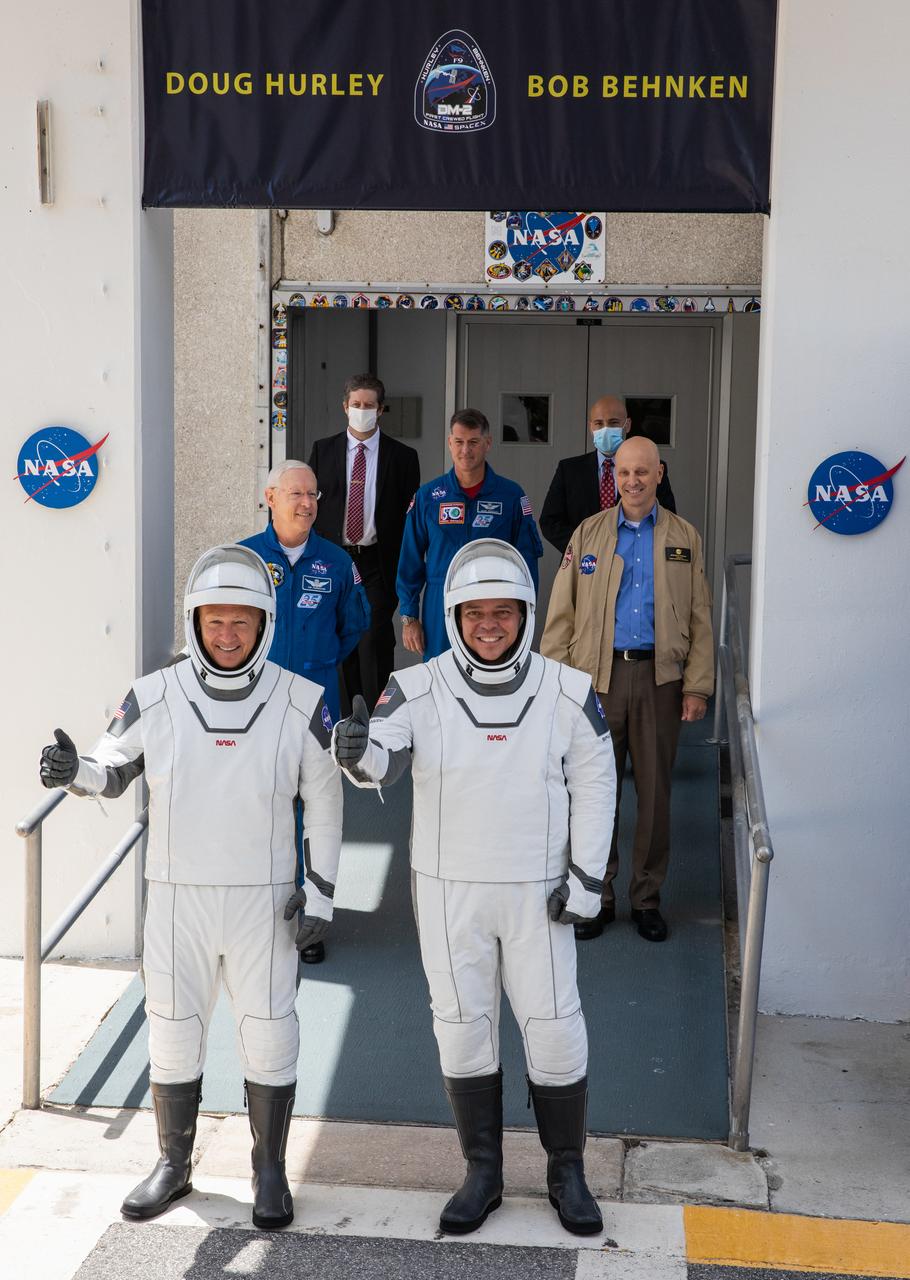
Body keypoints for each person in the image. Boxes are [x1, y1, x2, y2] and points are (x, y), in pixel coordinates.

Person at [38, 545, 343, 1229]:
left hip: (264, 900)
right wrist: (70, 770)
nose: (227, 636)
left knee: (270, 1034)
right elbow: (110, 765)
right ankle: (174, 1165)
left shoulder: (301, 700)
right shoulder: (155, 694)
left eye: (241, 623)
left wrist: (320, 893)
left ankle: (269, 1172)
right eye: (214, 622)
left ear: (264, 623)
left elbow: (324, 801)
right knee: (172, 1034)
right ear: (194, 621)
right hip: (176, 897)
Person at [334, 539, 615, 1238]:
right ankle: (482, 1170)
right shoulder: (417, 686)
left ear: (524, 612)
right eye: (475, 613)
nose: (490, 625)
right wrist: (358, 751)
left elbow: (597, 782)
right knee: (461, 1028)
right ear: (454, 614)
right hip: (448, 889)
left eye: (504, 612)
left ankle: (566, 1170)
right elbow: (385, 754)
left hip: (538, 891)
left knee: (553, 1026)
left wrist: (587, 880)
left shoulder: (567, 690)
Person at [541, 437, 713, 944]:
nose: (632, 482)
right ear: (612, 477)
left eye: (642, 472)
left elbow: (701, 616)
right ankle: (596, 896)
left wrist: (697, 686)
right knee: (594, 795)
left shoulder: (684, 536)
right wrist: (558, 685)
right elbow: (561, 614)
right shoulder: (589, 533)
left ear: (659, 473)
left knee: (656, 795)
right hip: (598, 682)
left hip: (660, 680)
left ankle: (646, 900)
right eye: (623, 473)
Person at [308, 374, 420, 714]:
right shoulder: (323, 450)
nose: (362, 411)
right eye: (356, 405)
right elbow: (309, 506)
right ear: (345, 407)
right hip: (333, 559)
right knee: (340, 638)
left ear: (381, 409)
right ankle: (343, 723)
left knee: (372, 638)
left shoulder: (402, 457)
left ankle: (376, 720)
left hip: (376, 563)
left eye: (369, 405)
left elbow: (408, 519)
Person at [396, 409, 543, 659]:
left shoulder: (510, 496)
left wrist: (523, 613)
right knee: (441, 679)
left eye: (473, 442)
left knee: (493, 677)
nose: (466, 450)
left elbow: (526, 562)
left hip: (493, 607)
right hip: (440, 604)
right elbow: (410, 561)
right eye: (460, 442)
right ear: (450, 443)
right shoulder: (429, 497)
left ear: (487, 443)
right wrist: (409, 617)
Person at [241, 461, 370, 725]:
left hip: (317, 694)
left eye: (313, 494)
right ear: (271, 497)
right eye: (296, 494)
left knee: (318, 766)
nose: (307, 503)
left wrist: (319, 657)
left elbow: (353, 626)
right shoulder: (245, 558)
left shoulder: (338, 562)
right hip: (257, 695)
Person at [539, 394, 677, 555]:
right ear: (591, 427)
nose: (605, 429)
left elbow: (667, 517)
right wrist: (587, 548)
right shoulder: (569, 470)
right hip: (583, 563)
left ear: (627, 425)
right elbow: (550, 521)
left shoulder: (651, 467)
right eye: (599, 423)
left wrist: (631, 548)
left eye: (613, 423)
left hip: (635, 560)